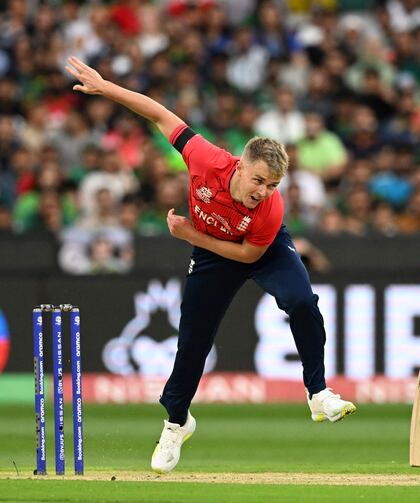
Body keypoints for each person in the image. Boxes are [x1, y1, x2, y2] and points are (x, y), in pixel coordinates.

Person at [66, 57, 356, 474]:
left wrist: (189, 235)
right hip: (211, 255)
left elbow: (247, 257)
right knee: (193, 342)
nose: (263, 192)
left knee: (301, 301)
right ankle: (176, 423)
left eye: (272, 185)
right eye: (258, 181)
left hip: (259, 248)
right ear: (240, 165)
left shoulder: (270, 210)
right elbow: (157, 113)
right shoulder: (205, 158)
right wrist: (106, 87)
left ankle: (318, 393)